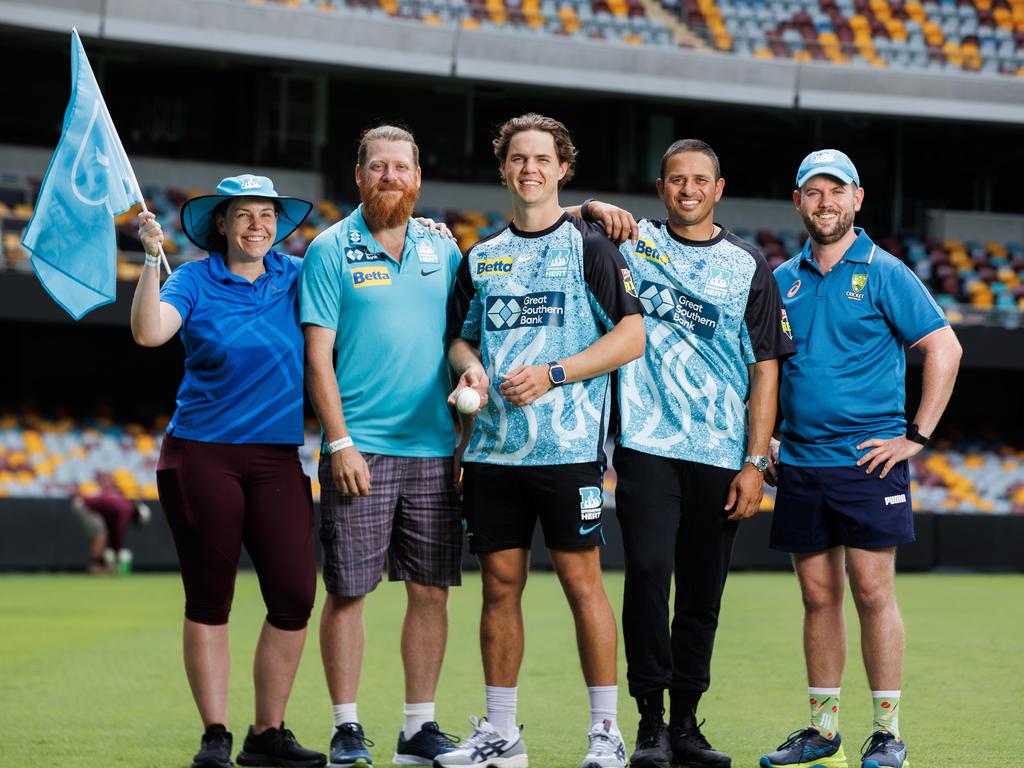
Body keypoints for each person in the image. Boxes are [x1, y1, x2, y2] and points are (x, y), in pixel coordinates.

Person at [577, 139, 796, 768]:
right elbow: (555, 222)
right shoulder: (632, 242)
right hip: (646, 445)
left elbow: (765, 371)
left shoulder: (749, 265)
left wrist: (755, 463)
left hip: (722, 455)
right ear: (661, 186)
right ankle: (648, 723)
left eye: (701, 180)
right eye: (678, 179)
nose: (689, 190)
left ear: (719, 189)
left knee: (704, 591)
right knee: (648, 573)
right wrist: (593, 205)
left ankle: (686, 724)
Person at [438, 113, 645, 768]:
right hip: (494, 452)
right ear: (504, 168)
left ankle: (605, 735)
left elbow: (631, 336)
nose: (529, 168)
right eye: (517, 158)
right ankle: (502, 734)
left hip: (570, 451)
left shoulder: (592, 247)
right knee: (499, 587)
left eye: (541, 159)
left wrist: (556, 373)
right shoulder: (481, 255)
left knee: (583, 585)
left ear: (562, 169)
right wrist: (468, 364)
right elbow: (459, 336)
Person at [760, 149, 962, 768]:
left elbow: (944, 348)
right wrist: (762, 438)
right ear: (798, 202)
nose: (825, 203)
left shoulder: (885, 270)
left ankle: (887, 733)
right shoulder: (779, 279)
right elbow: (763, 367)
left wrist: (916, 437)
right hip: (799, 461)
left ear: (857, 199)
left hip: (869, 462)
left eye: (836, 191)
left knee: (872, 592)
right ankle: (822, 734)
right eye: (813, 193)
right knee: (817, 596)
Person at [132, 175, 326, 768]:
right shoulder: (191, 276)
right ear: (221, 223)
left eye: (267, 215)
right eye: (244, 215)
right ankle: (214, 735)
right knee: (210, 597)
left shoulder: (296, 275)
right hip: (201, 453)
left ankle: (267, 735)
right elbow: (149, 332)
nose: (258, 226)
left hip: (276, 458)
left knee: (294, 595)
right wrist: (147, 261)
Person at [299, 125, 466, 768]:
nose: (391, 176)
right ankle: (346, 727)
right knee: (348, 591)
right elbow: (318, 360)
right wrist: (338, 442)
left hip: (432, 449)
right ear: (359, 175)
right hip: (358, 449)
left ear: (418, 178)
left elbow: (460, 341)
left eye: (402, 167)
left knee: (431, 591)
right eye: (379, 167)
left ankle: (418, 728)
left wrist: (466, 406)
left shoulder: (444, 249)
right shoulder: (330, 250)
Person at [71, 489, 151, 573]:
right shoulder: (126, 511)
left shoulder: (125, 506)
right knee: (100, 536)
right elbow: (117, 534)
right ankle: (95, 565)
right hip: (83, 505)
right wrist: (117, 552)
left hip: (83, 504)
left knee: (102, 534)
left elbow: (113, 532)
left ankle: (100, 563)